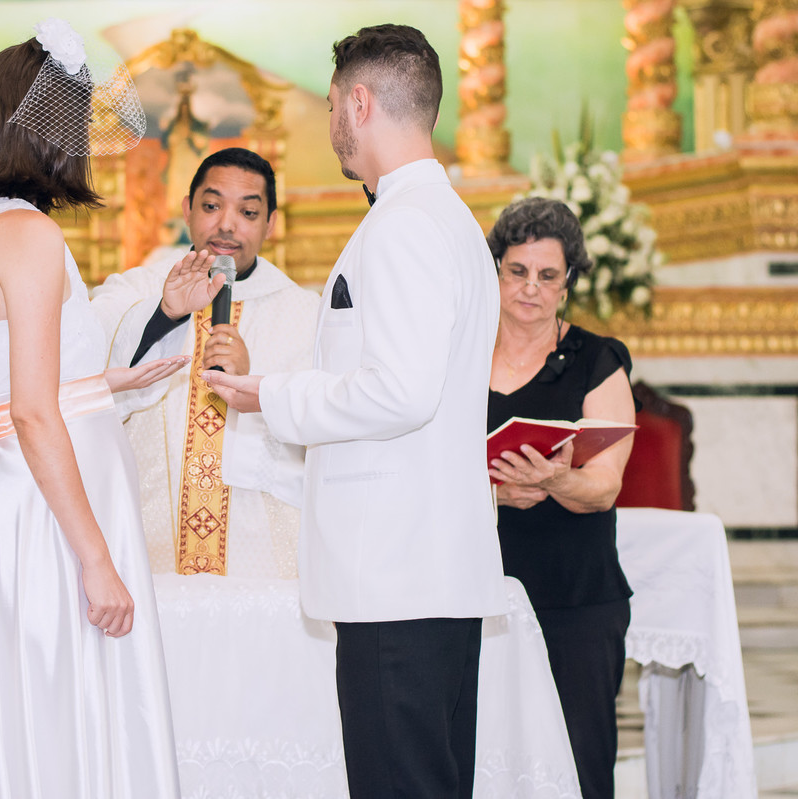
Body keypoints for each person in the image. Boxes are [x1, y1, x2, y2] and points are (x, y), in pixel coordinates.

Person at [205, 23, 507, 799]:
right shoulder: (447, 218)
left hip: (395, 575)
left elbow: (401, 389)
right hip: (425, 570)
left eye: (335, 103)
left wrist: (272, 393)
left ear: (360, 103)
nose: (333, 120)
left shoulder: (405, 225)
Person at [0, 20, 184, 798]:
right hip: (53, 522)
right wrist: (96, 559)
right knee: (72, 729)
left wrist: (102, 387)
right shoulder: (30, 236)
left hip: (16, 509)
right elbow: (33, 414)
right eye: (77, 119)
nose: (88, 139)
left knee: (34, 730)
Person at [90, 147, 320, 578]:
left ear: (271, 223)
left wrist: (259, 384)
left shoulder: (305, 314)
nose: (227, 225)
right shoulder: (137, 289)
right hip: (146, 546)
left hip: (261, 556)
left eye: (248, 212)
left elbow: (323, 421)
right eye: (212, 206)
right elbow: (85, 367)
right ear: (187, 210)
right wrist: (164, 315)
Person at [485, 196, 636, 799]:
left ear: (568, 280)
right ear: (495, 270)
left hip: (576, 596)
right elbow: (423, 469)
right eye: (517, 271)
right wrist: (493, 492)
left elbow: (604, 486)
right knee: (483, 755)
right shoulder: (457, 356)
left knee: (579, 765)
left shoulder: (598, 361)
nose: (531, 288)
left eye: (548, 275)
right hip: (477, 589)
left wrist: (551, 479)